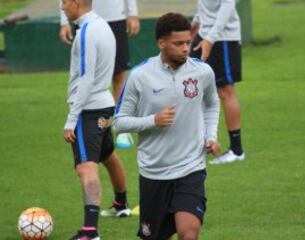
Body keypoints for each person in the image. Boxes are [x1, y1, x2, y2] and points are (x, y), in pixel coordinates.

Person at [113, 12, 221, 240]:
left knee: (189, 233)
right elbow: (119, 122)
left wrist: (210, 135)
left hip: (191, 168)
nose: (185, 48)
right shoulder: (140, 76)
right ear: (161, 43)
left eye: (188, 42)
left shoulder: (202, 72)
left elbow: (211, 104)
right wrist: (153, 120)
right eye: (178, 43)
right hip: (154, 173)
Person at [59, 0, 137, 217]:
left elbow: (86, 78)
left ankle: (90, 229)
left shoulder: (85, 32)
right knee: (109, 156)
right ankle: (121, 205)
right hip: (105, 107)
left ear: (76, 2)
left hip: (89, 110)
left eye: (65, 2)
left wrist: (72, 118)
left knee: (86, 166)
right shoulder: (103, 25)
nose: (62, 7)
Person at [190, 0, 245, 164]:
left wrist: (211, 38)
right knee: (194, 87)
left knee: (226, 91)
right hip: (204, 34)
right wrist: (196, 21)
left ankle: (237, 150)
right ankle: (199, 144)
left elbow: (228, 4)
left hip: (222, 38)